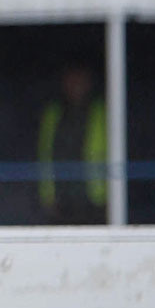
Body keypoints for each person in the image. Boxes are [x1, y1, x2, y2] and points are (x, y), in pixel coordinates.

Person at [36, 63, 108, 220]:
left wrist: (112, 197)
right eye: (71, 79)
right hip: (62, 199)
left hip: (95, 200)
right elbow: (45, 155)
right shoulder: (54, 113)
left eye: (80, 80)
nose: (76, 85)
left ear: (89, 82)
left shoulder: (102, 111)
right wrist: (48, 197)